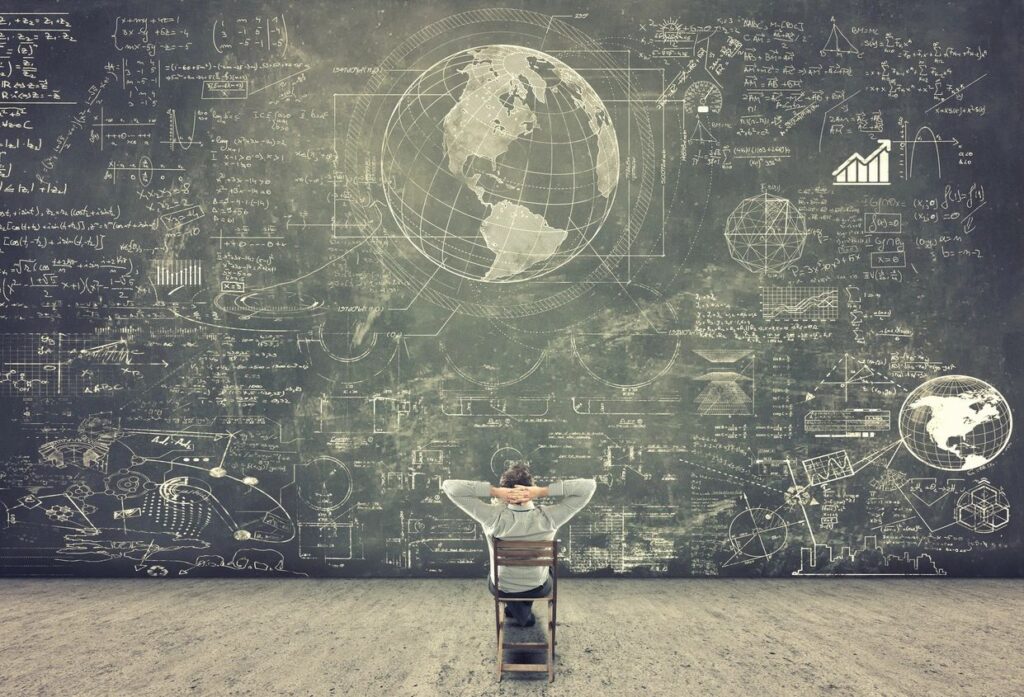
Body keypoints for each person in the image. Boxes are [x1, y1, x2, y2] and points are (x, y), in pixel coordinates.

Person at [441, 464, 596, 627]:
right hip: (537, 587)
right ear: (531, 490)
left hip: (502, 587)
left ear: (504, 492)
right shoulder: (549, 518)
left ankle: (517, 608)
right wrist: (542, 491)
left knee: (498, 573)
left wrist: (494, 492)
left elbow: (449, 486)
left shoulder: (493, 517)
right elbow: (589, 486)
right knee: (547, 568)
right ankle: (521, 609)